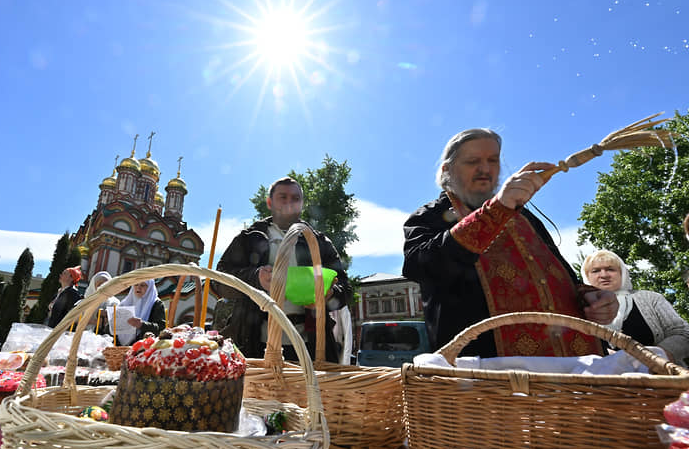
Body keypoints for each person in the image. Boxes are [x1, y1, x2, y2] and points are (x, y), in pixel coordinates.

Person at [402, 128, 618, 358]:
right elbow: (420, 266)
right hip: (488, 378)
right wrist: (496, 211)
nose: (485, 169)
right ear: (447, 170)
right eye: (473, 161)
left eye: (493, 160)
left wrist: (592, 300)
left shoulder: (524, 217)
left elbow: (561, 277)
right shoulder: (428, 217)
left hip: (574, 369)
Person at [216, 176, 351, 361]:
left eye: (296, 199)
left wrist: (328, 295)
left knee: (310, 391)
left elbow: (345, 288)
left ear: (302, 204)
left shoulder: (319, 242)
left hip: (311, 348)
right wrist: (256, 278)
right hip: (254, 344)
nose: (290, 203)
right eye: (283, 197)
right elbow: (219, 281)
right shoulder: (249, 238)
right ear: (270, 202)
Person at [582, 249, 689, 366]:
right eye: (596, 271)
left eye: (610, 269)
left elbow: (683, 332)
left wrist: (653, 358)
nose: (604, 275)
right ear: (587, 276)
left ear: (622, 273)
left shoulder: (650, 298)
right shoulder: (578, 308)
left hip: (662, 378)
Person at [118, 279, 165, 343]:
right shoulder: (125, 303)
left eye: (143, 285)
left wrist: (141, 325)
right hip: (119, 347)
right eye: (136, 285)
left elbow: (161, 328)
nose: (138, 287)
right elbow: (110, 330)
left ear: (149, 287)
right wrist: (113, 321)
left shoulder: (156, 304)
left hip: (146, 346)